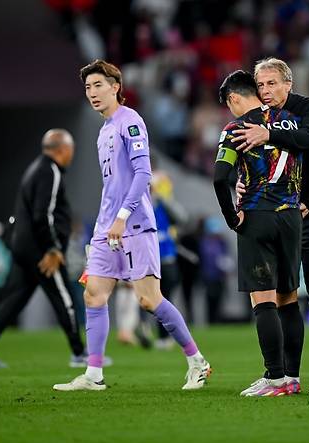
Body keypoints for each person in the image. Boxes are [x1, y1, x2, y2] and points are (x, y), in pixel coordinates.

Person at [53, 59, 210, 391]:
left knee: (148, 300)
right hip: (106, 227)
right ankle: (94, 375)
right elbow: (112, 184)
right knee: (94, 295)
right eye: (87, 88)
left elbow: (143, 175)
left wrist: (122, 217)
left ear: (115, 87)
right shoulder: (103, 131)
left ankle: (197, 361)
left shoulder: (130, 122)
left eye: (98, 86)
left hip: (134, 224)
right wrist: (107, 221)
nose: (92, 93)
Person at [232, 57, 309, 392]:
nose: (265, 91)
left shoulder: (306, 108)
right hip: (281, 216)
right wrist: (241, 181)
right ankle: (283, 374)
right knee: (283, 295)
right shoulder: (258, 120)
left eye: (271, 83)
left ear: (288, 84)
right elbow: (258, 165)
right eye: (260, 85)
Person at [214, 70, 303, 397]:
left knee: (263, 299)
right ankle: (293, 377)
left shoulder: (235, 128)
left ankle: (275, 377)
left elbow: (219, 176)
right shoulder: (291, 120)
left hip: (257, 216)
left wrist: (231, 217)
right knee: (289, 297)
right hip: (292, 216)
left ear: (234, 98)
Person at [0, 129, 88, 369]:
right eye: (71, 150)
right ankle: (80, 354)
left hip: (24, 247)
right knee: (64, 299)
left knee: (14, 299)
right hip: (42, 250)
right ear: (63, 149)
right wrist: (52, 248)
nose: (72, 155)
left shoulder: (34, 168)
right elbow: (43, 214)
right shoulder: (49, 171)